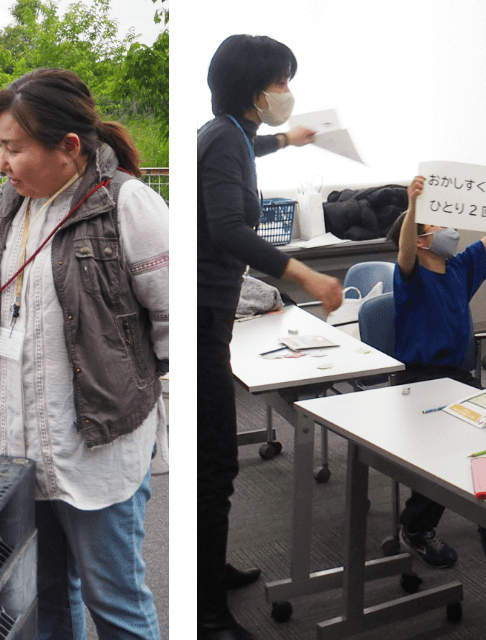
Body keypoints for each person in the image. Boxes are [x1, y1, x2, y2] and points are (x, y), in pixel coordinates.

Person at [0, 68, 167, 640]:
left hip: (97, 448)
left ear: (69, 147)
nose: (2, 162)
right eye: (0, 146)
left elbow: (173, 323)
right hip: (15, 442)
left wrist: (155, 421)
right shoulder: (6, 211)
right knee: (43, 596)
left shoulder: (128, 206)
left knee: (114, 598)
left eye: (13, 148)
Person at [197, 34, 343, 640]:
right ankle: (205, 614)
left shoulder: (225, 133)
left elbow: (251, 145)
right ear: (256, 87)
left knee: (213, 458)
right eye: (282, 80)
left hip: (209, 308)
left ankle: (210, 570)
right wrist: (305, 273)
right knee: (212, 465)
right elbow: (229, 229)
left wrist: (289, 138)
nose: (288, 91)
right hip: (203, 313)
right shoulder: (223, 141)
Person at [381, 177, 486, 567]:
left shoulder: (457, 267)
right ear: (421, 240)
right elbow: (404, 250)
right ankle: (415, 527)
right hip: (420, 381)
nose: (445, 228)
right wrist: (414, 207)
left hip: (458, 379)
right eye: (433, 224)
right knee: (445, 455)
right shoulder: (410, 276)